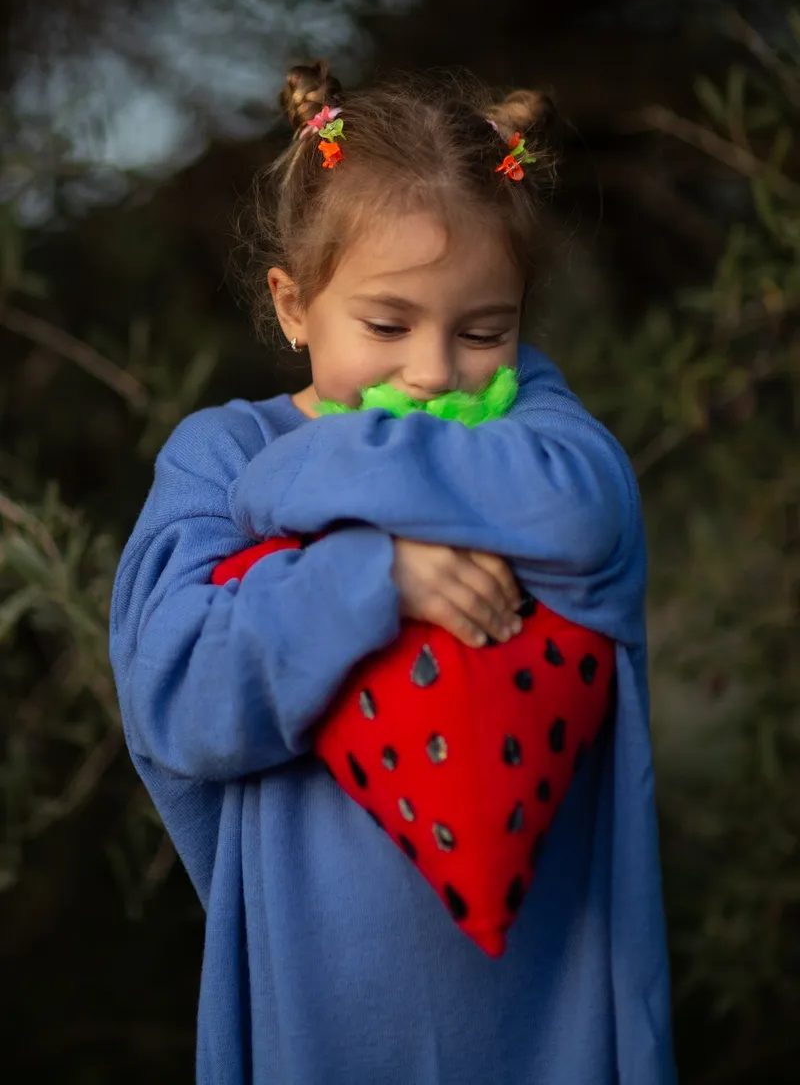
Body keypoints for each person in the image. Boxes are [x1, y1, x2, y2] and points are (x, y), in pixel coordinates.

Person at [110, 63, 676, 1084]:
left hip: (551, 1018)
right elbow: (176, 691)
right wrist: (370, 576)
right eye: (386, 324)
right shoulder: (221, 457)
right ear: (292, 304)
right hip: (318, 1022)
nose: (432, 371)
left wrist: (315, 471)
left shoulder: (540, 428)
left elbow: (584, 514)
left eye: (484, 330)